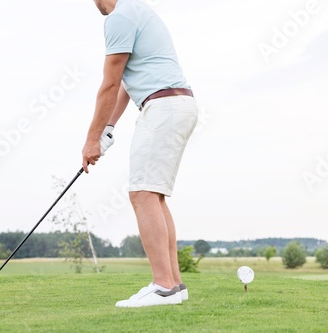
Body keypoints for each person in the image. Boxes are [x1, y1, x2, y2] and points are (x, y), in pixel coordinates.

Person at [82, 0, 198, 307]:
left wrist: (91, 140)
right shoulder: (137, 10)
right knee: (154, 194)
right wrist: (107, 127)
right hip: (178, 104)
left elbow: (109, 84)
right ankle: (174, 284)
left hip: (162, 106)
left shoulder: (118, 18)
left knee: (142, 194)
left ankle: (163, 287)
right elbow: (124, 85)